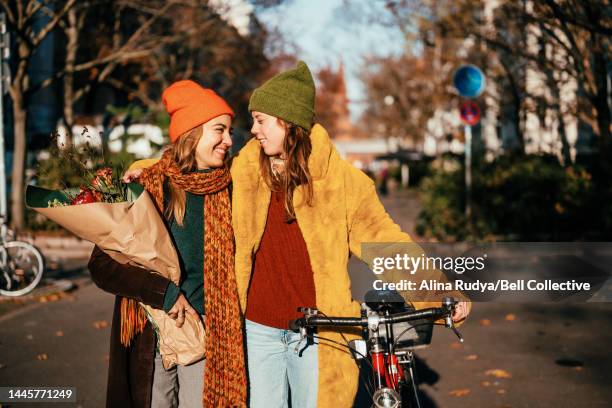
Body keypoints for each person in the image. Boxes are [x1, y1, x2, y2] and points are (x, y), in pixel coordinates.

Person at [230, 61, 470, 408]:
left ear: (288, 121)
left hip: (319, 333)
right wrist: (138, 177)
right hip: (257, 330)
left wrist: (438, 290)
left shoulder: (343, 182)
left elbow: (384, 240)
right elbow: (188, 172)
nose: (253, 130)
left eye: (261, 120)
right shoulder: (244, 171)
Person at [88, 80, 246, 408]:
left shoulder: (231, 189)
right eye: (220, 130)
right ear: (192, 132)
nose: (229, 141)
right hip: (153, 333)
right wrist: (166, 294)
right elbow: (102, 266)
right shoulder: (147, 188)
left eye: (230, 132)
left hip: (209, 336)